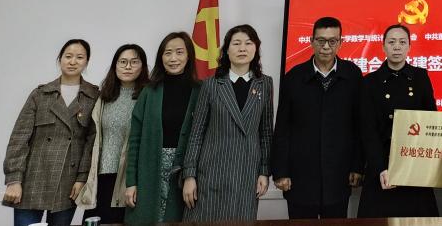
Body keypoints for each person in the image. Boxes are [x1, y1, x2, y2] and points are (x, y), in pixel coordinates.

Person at [272, 16, 364, 219]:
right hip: (300, 176)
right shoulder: (294, 77)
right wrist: (280, 171)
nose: (326, 47)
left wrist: (357, 166)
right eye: (321, 40)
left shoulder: (353, 75)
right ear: (311, 41)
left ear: (341, 42)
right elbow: (282, 128)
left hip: (339, 174)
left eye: (332, 41)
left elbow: (359, 125)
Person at [182, 24, 274, 221]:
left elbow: (266, 132)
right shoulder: (211, 84)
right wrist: (189, 175)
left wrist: (264, 172)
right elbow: (196, 132)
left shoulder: (265, 83)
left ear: (256, 48)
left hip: (247, 172)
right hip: (211, 172)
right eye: (236, 43)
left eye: (248, 43)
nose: (242, 48)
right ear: (226, 49)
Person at [4, 39, 99, 226]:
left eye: (79, 57)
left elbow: (92, 143)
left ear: (87, 62)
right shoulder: (40, 94)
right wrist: (13, 180)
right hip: (32, 178)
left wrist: (82, 178)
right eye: (68, 56)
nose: (73, 62)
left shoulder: (94, 96)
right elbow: (19, 138)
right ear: (60, 59)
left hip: (68, 181)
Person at [357, 24, 439, 217]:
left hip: (414, 163)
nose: (397, 47)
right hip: (382, 166)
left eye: (402, 42)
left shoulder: (420, 77)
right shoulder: (370, 82)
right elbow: (368, 131)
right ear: (383, 46)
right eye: (391, 42)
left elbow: (431, 119)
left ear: (409, 47)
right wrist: (380, 168)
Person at [124, 32, 200, 225]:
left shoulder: (201, 91)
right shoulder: (149, 91)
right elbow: (135, 140)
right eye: (167, 53)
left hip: (187, 174)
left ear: (189, 56)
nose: (173, 58)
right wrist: (131, 182)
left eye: (179, 52)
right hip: (149, 171)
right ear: (161, 57)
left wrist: (193, 175)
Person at [76, 44, 150, 224]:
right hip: (102, 177)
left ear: (142, 66)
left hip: (131, 178)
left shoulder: (148, 96)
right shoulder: (103, 97)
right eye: (122, 62)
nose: (127, 67)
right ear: (115, 65)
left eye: (134, 62)